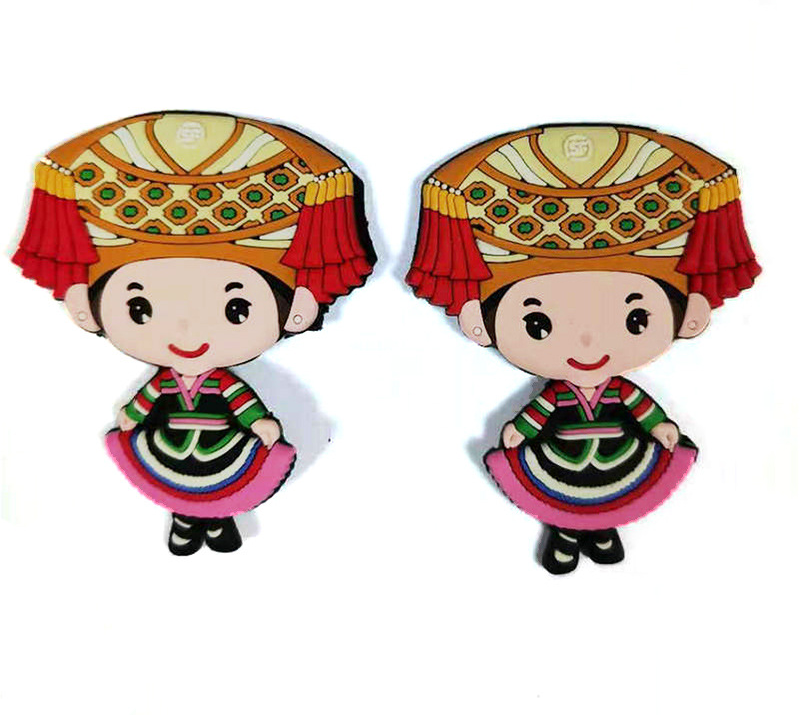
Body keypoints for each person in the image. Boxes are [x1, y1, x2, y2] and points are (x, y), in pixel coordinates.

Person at [13, 111, 375, 554]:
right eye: (140, 309)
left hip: (221, 444)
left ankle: (214, 519)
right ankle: (189, 519)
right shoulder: (170, 383)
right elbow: (149, 399)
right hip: (169, 443)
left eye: (236, 309)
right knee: (176, 481)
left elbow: (240, 403)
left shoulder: (219, 383)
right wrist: (133, 415)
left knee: (221, 480)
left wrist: (257, 422)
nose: (186, 331)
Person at [407, 123, 759, 573]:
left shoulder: (616, 391)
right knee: (562, 495)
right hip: (561, 457)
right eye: (538, 324)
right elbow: (541, 411)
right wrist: (522, 430)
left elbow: (638, 407)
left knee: (606, 494)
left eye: (635, 319)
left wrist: (659, 426)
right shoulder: (561, 394)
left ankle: (599, 529)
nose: (588, 341)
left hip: (618, 456)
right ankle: (568, 533)